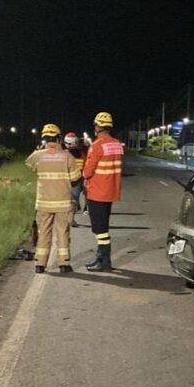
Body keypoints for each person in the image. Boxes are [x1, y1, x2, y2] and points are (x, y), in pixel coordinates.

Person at [25, 123, 82, 274]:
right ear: (59, 139)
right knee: (63, 232)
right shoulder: (67, 156)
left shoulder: (38, 155)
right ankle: (64, 264)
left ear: (44, 139)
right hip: (63, 202)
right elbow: (76, 178)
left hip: (44, 202)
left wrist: (38, 149)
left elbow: (29, 163)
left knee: (43, 232)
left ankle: (40, 264)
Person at [82, 112, 124, 272]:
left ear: (98, 127)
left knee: (99, 229)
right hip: (111, 191)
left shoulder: (97, 145)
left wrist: (84, 174)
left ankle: (104, 261)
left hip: (97, 192)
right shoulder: (117, 144)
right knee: (103, 225)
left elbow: (88, 171)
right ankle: (103, 260)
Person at [64, 131, 88, 225]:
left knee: (71, 199)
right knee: (74, 199)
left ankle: (70, 217)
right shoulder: (82, 152)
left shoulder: (64, 153)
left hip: (70, 179)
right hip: (77, 179)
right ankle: (72, 217)